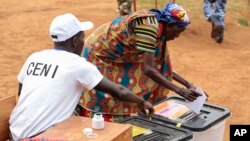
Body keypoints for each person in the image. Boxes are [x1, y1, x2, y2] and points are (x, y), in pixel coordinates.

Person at [9, 13, 154, 140]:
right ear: (74, 41)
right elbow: (118, 91)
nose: (83, 43)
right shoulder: (77, 64)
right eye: (82, 38)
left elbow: (22, 94)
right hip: (41, 137)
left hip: (15, 132)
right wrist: (141, 102)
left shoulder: (35, 57)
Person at [81, 2, 206, 121]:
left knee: (144, 80)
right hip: (99, 53)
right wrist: (179, 90)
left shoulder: (159, 31)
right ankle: (105, 119)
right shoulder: (149, 29)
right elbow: (149, 70)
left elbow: (162, 67)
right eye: (178, 31)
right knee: (111, 89)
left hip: (121, 54)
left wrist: (188, 84)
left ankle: (140, 109)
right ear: (169, 25)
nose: (177, 36)